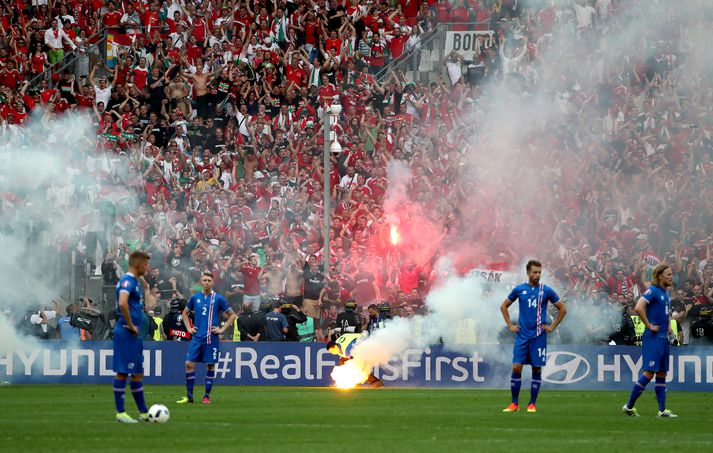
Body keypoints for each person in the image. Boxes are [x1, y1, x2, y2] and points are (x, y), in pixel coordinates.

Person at [500, 260, 567, 413]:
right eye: (534, 272)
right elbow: (503, 306)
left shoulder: (546, 290)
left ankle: (532, 404)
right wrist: (510, 325)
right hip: (522, 335)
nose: (537, 275)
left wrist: (552, 326)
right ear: (528, 273)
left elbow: (562, 309)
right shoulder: (519, 289)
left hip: (538, 336)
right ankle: (514, 404)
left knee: (536, 369)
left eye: (539, 272)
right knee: (516, 367)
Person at [622, 264, 678, 417]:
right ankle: (628, 406)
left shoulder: (665, 293)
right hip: (653, 337)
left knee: (661, 373)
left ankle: (662, 410)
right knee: (649, 373)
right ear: (659, 276)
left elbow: (665, 312)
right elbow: (639, 307)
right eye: (668, 274)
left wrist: (667, 325)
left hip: (663, 338)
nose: (671, 277)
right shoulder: (653, 290)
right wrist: (649, 325)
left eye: (671, 274)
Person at [177, 272, 237, 404]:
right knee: (188, 364)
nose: (206, 282)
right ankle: (189, 396)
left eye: (209, 280)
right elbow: (185, 313)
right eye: (204, 280)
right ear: (201, 282)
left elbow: (232, 315)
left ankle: (206, 396)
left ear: (212, 282)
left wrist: (221, 329)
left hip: (211, 338)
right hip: (197, 338)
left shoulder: (218, 298)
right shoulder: (195, 298)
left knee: (210, 366)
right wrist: (188, 328)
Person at [112, 250, 155, 423]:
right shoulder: (127, 280)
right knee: (123, 372)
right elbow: (122, 302)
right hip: (126, 332)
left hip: (133, 335)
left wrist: (147, 288)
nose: (147, 267)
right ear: (137, 264)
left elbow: (147, 304)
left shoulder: (136, 282)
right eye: (145, 264)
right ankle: (121, 413)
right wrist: (130, 324)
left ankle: (143, 412)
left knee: (137, 373)